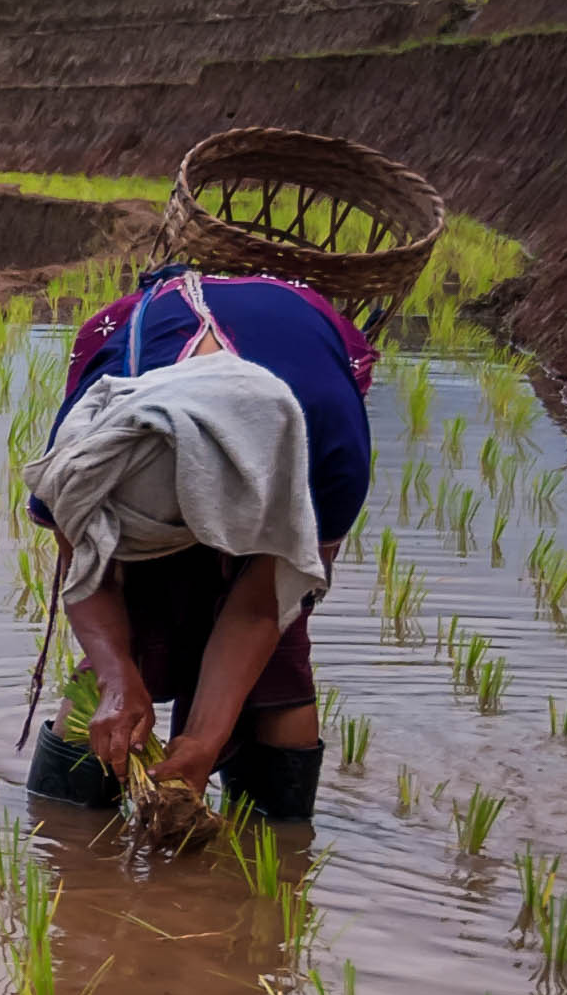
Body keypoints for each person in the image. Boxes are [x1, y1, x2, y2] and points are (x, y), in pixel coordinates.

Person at [21, 264, 377, 823]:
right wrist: (118, 679)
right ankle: (66, 832)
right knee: (121, 653)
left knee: (277, 661)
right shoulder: (88, 447)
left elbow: (264, 602)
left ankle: (276, 843)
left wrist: (206, 737)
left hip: (298, 369)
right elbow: (88, 574)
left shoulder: (327, 451)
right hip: (154, 359)